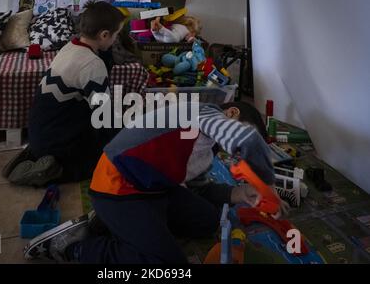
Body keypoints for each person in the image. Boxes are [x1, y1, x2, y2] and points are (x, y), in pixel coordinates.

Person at [24, 101, 290, 263]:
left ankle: (109, 224)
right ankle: (77, 249)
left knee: (209, 220)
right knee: (166, 264)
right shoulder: (201, 115)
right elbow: (244, 139)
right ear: (231, 113)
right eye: (241, 127)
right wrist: (265, 182)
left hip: (156, 189)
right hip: (117, 189)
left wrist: (241, 193)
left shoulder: (206, 149)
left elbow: (200, 187)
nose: (236, 154)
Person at [6, 0, 125, 185]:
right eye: (116, 34)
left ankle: (36, 155)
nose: (116, 40)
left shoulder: (71, 47)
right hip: (58, 142)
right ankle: (53, 170)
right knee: (109, 160)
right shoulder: (93, 65)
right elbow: (104, 118)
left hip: (42, 134)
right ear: (104, 34)